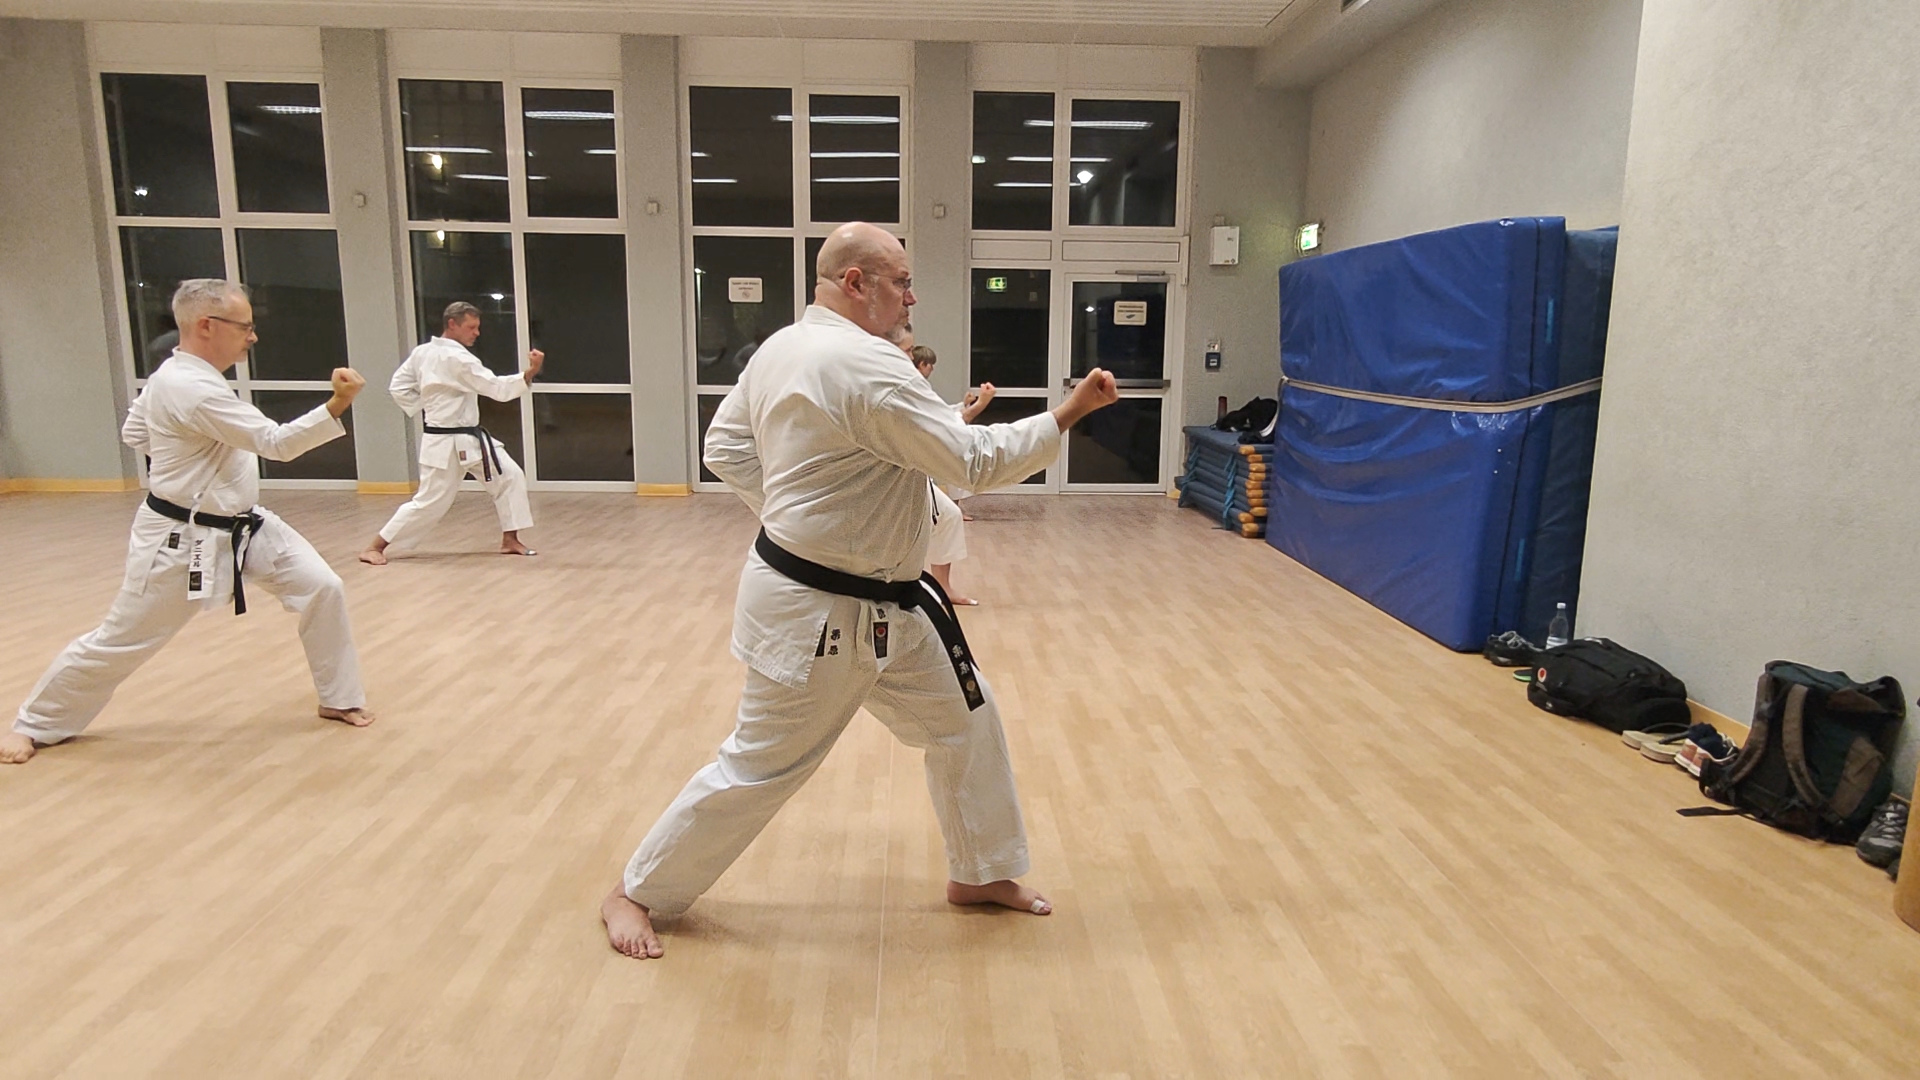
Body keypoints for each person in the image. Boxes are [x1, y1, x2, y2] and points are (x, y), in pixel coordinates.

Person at [601, 222, 1120, 959]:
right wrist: (1068, 414)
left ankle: (982, 873)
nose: (912, 297)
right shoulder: (864, 365)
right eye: (901, 282)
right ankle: (636, 892)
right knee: (762, 762)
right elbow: (969, 463)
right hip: (819, 613)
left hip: (889, 605)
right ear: (856, 283)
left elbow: (725, 444)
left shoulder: (784, 345)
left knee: (966, 724)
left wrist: (797, 514)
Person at [2, 279, 375, 765]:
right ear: (206, 326)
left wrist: (184, 457)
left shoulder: (176, 376)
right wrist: (338, 404)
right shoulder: (190, 388)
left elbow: (134, 430)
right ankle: (34, 723)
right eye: (245, 326)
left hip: (246, 525)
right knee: (124, 637)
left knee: (322, 587)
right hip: (182, 538)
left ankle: (338, 697)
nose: (252, 336)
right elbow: (278, 443)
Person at [359, 302, 544, 565]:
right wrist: (530, 373)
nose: (476, 333)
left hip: (469, 439)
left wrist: (426, 403)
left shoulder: (422, 353)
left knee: (510, 476)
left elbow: (399, 386)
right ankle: (375, 547)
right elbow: (495, 388)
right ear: (452, 324)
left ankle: (510, 539)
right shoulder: (457, 358)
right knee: (430, 501)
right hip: (444, 442)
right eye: (471, 327)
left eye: (478, 327)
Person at [902, 336, 992, 605]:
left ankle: (943, 587)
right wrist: (979, 406)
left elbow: (942, 417)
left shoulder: (914, 386)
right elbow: (945, 423)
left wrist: (966, 406)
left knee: (948, 515)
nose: (910, 355)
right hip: (893, 473)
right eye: (907, 350)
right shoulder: (900, 385)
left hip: (912, 472)